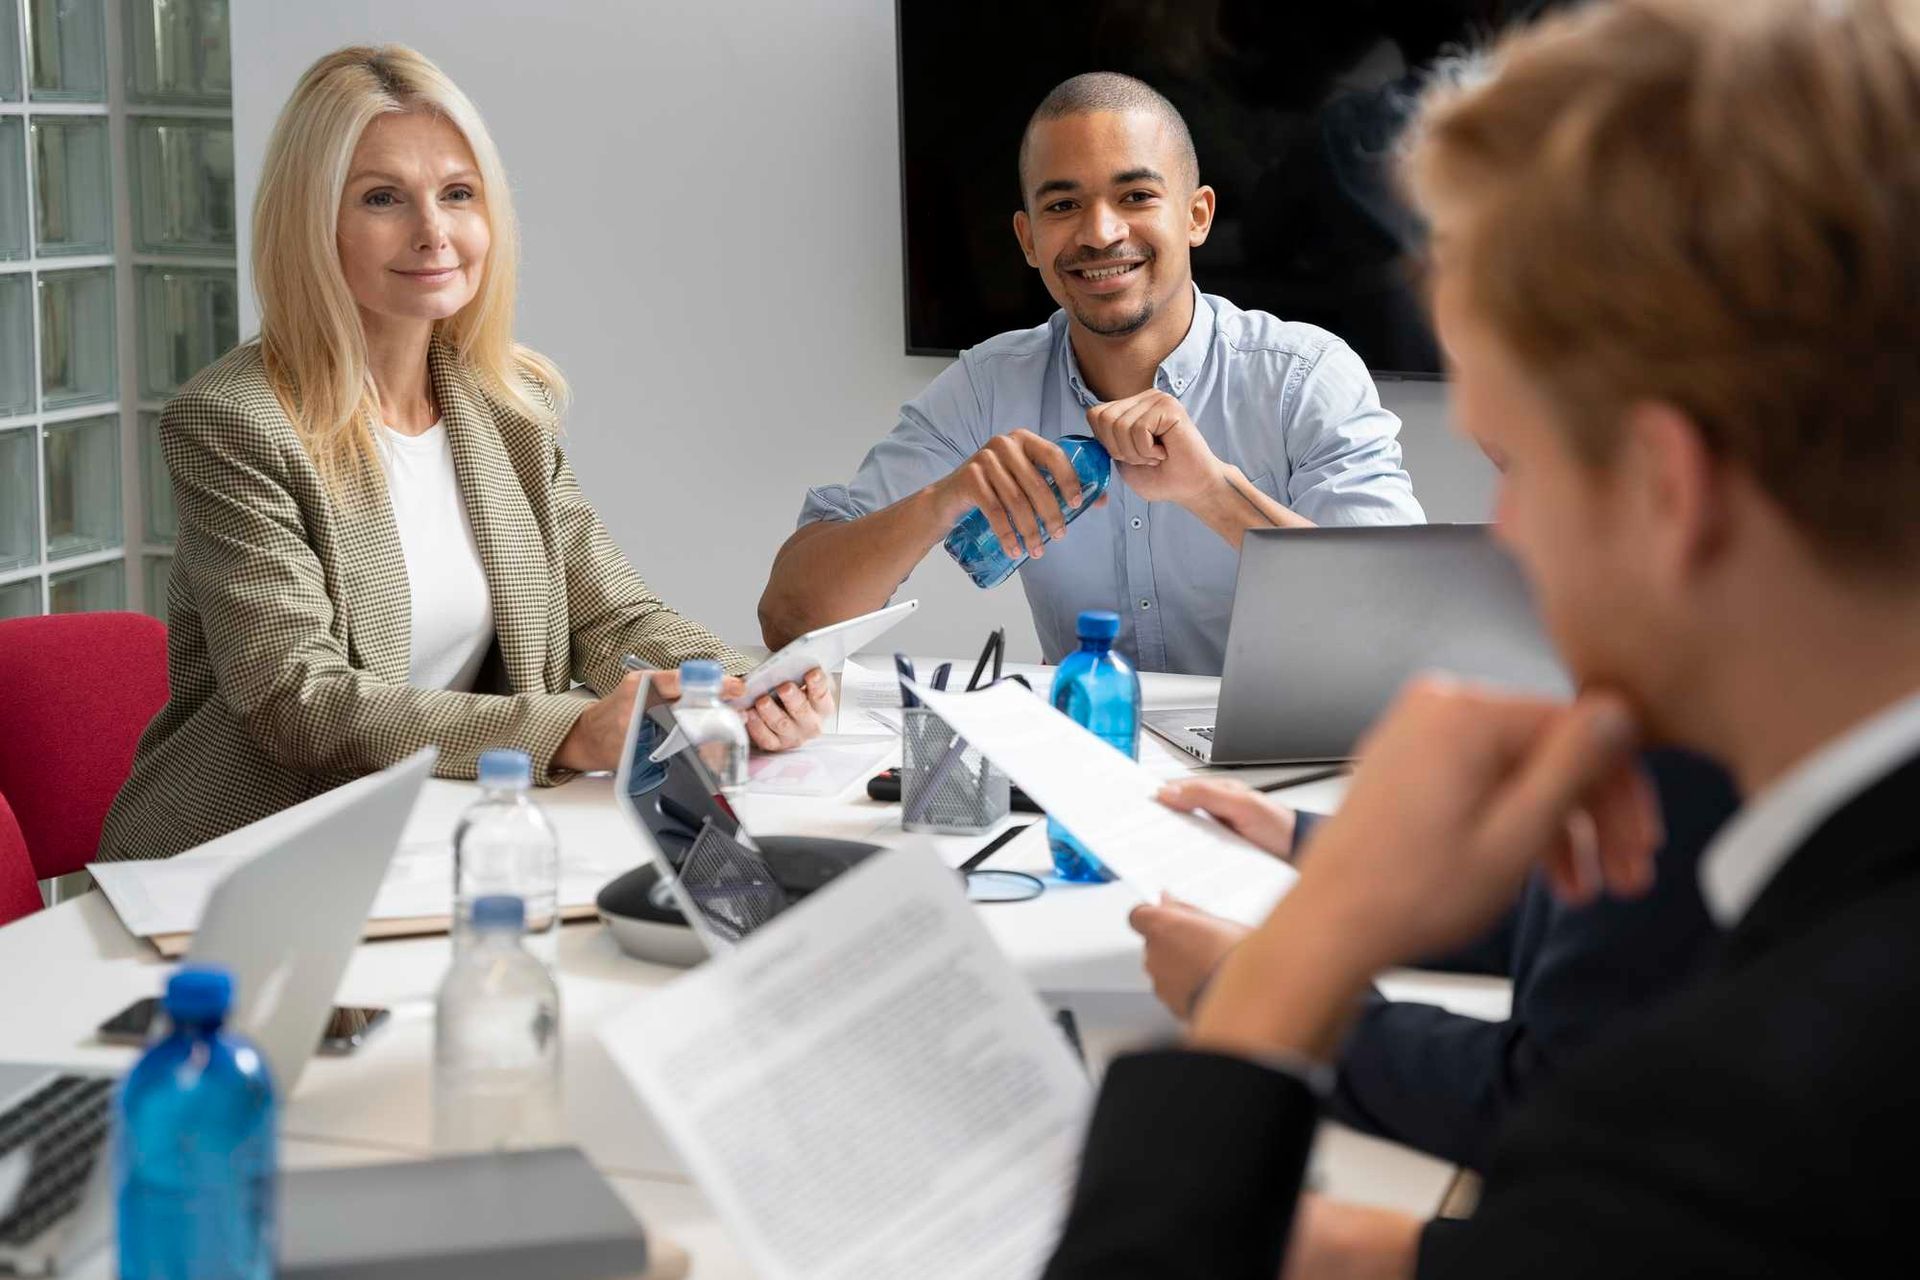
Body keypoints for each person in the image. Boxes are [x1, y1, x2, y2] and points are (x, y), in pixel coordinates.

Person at [1042, 0, 1920, 1275]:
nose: (1506, 538)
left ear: (1669, 492)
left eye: (1513, 464)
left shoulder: (1753, 1112)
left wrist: (1291, 972)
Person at [100, 46, 832, 862]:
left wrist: (740, 685)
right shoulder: (236, 422)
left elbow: (609, 613)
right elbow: (296, 700)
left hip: (434, 833)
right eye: (383, 198)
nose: (433, 232)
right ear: (311, 222)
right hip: (252, 857)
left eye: (458, 194)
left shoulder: (508, 403)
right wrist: (572, 731)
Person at [760, 73, 1422, 676]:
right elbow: (791, 618)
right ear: (1027, 239)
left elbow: (1405, 622)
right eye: (1062, 206)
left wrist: (1213, 493)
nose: (1101, 234)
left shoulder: (1306, 378)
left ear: (1197, 216)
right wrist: (943, 500)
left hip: (1289, 768)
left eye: (1135, 195)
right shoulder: (988, 386)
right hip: (1083, 762)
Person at [1136, 750, 1737, 1170]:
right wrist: (1312, 844)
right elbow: (1563, 914)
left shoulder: (1691, 750)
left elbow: (1552, 1100)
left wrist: (1265, 996)